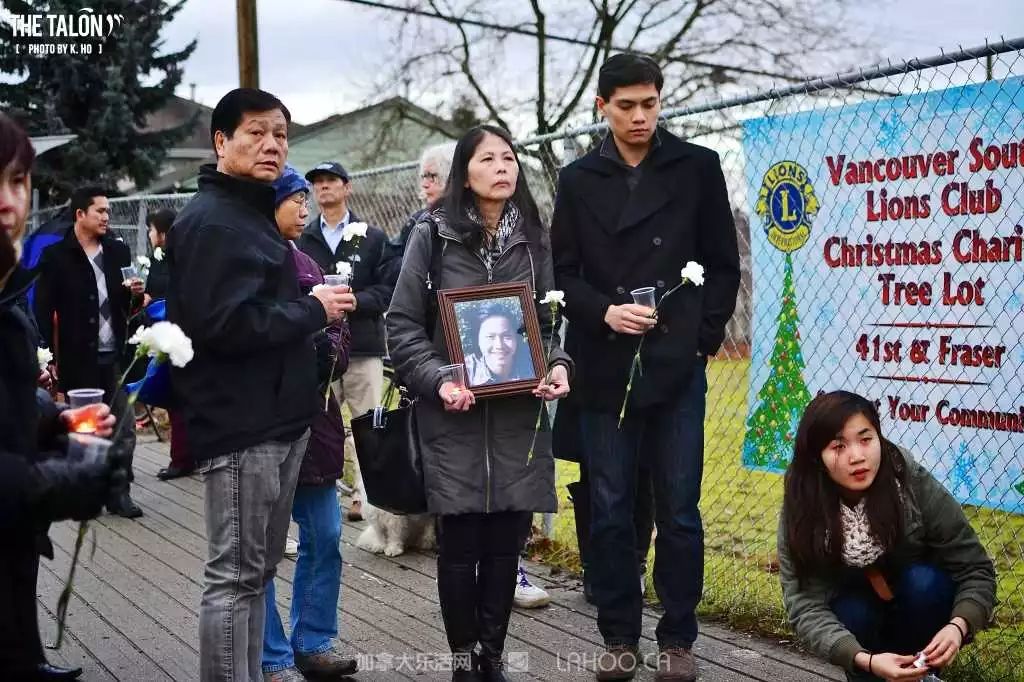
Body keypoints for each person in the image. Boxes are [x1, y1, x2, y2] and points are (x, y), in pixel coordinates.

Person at [551, 54, 740, 681]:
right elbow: (563, 273)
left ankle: (678, 638)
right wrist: (604, 312)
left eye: (649, 104)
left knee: (680, 507)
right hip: (604, 366)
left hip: (676, 365)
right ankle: (618, 635)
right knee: (609, 505)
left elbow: (723, 264)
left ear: (661, 101)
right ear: (602, 106)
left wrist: (698, 341)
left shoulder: (697, 166)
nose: (639, 116)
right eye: (626, 105)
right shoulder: (577, 179)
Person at [166, 88, 352, 682]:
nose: (272, 144)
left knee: (257, 573)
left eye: (281, 134)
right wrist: (313, 309)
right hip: (242, 427)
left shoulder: (250, 214)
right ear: (221, 141)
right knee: (234, 577)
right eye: (256, 132)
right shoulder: (213, 222)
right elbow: (222, 325)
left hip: (281, 421)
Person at [387, 124, 572, 681]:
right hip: (453, 416)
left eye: (509, 158)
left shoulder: (533, 240)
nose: (502, 167)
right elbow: (401, 326)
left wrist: (557, 365)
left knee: (506, 544)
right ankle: (464, 661)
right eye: (488, 159)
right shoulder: (432, 236)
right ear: (464, 174)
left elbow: (548, 324)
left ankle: (491, 657)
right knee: (460, 543)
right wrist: (441, 378)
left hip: (518, 418)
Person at [1, 110, 127, 681]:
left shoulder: (6, 290)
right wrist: (50, 484)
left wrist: (51, 422)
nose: (7, 202)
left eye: (16, 181)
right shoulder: (48, 260)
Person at [778, 391, 996, 682]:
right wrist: (864, 660)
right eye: (838, 446)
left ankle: (919, 674)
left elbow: (976, 568)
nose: (857, 457)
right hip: (857, 628)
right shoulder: (803, 505)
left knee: (925, 583)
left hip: (915, 608)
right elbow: (805, 604)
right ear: (818, 457)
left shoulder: (909, 480)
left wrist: (958, 626)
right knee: (853, 611)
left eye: (866, 439)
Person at [260, 166, 357, 682]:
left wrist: (331, 343)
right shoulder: (251, 260)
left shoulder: (310, 264)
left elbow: (340, 337)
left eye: (305, 200)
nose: (304, 209)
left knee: (325, 534)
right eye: (294, 199)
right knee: (260, 549)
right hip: (263, 426)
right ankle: (271, 656)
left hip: (316, 424)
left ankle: (313, 641)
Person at [33, 185, 146, 519]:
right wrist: (47, 357)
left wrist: (135, 294)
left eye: (108, 211)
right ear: (80, 214)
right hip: (77, 358)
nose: (107, 217)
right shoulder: (56, 256)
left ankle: (119, 493)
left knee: (124, 426)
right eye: (100, 211)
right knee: (87, 429)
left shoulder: (117, 251)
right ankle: (87, 491)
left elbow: (128, 305)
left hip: (116, 355)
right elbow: (43, 310)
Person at [297, 160, 395, 522]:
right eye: (317, 182)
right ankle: (323, 492)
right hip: (318, 348)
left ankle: (365, 499)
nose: (323, 186)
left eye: (331, 180)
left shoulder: (372, 237)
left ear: (347, 187)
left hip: (363, 346)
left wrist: (358, 301)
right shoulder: (303, 237)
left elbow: (389, 288)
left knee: (367, 427)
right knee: (318, 425)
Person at [139, 208, 195, 482]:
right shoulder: (159, 258)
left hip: (178, 332)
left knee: (178, 398)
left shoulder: (178, 256)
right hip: (167, 331)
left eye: (151, 229)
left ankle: (182, 457)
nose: (150, 235)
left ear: (162, 232)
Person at [390, 140, 458, 263]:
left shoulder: (480, 218)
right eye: (423, 176)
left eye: (432, 176)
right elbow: (389, 263)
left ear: (450, 176)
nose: (424, 184)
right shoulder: (418, 221)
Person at [464, 305, 533, 386]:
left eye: (507, 336)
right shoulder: (465, 371)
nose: (499, 345)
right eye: (490, 337)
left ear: (516, 338)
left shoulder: (533, 364)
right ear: (478, 340)